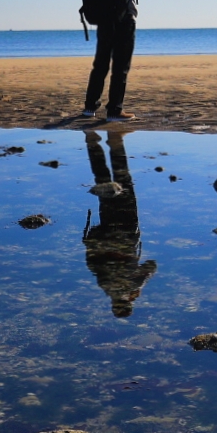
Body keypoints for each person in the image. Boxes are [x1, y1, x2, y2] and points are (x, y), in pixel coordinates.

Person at [81, 0, 153, 121]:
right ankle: (115, 110)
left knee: (100, 64)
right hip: (125, 18)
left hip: (104, 19)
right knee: (120, 66)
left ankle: (89, 107)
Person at [81, 128, 154, 316]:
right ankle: (92, 140)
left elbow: (151, 266)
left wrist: (138, 289)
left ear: (129, 301)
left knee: (125, 181)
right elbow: (91, 259)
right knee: (102, 179)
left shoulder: (130, 285)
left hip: (128, 229)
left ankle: (115, 140)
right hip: (107, 226)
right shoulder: (103, 283)